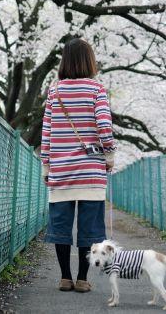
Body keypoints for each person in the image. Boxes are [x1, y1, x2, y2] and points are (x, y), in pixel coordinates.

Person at [40, 38, 116, 293]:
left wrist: (46, 166)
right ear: (89, 61)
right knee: (91, 228)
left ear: (65, 61)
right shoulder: (97, 90)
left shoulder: (55, 91)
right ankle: (83, 279)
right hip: (90, 171)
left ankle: (64, 277)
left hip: (61, 170)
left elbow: (47, 131)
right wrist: (109, 154)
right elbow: (104, 126)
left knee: (60, 225)